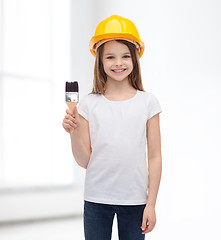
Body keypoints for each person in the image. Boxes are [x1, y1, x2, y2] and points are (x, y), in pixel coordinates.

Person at [62, 15, 162, 240]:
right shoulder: (88, 104)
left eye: (125, 55)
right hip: (97, 199)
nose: (119, 63)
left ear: (135, 58)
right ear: (100, 61)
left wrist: (151, 204)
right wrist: (73, 132)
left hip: (136, 201)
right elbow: (84, 161)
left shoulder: (148, 102)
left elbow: (155, 156)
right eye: (110, 57)